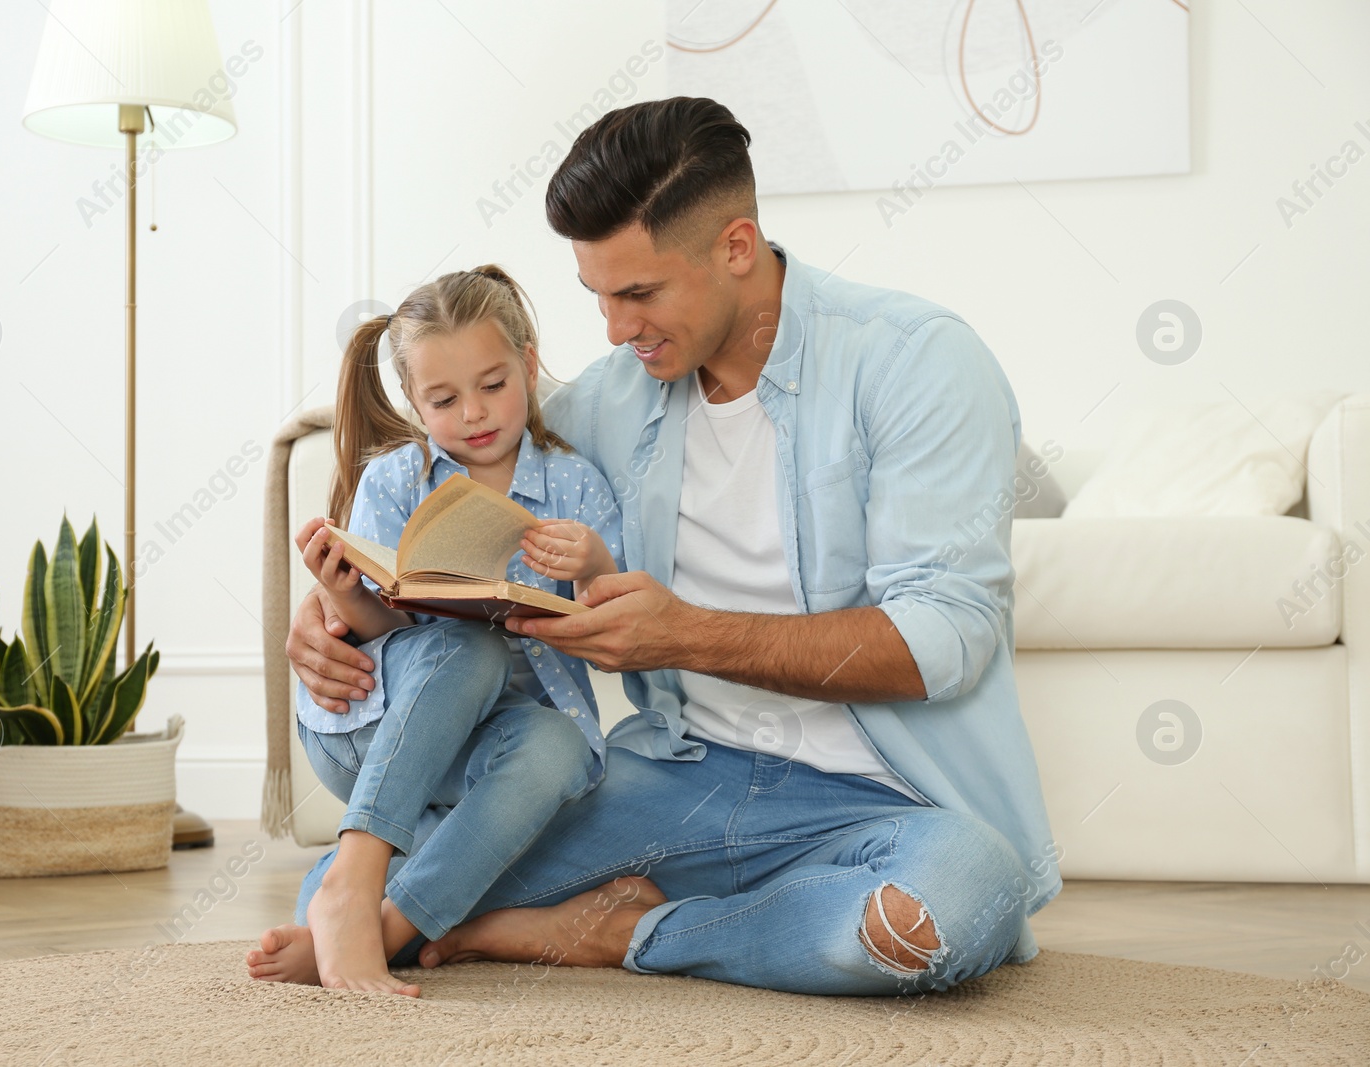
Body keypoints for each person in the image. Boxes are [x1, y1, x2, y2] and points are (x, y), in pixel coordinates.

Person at [268, 97, 1062, 997]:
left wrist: (682, 633)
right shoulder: (609, 401)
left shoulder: (916, 362)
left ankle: (626, 931)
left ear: (735, 246)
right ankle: (561, 919)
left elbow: (946, 639)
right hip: (676, 780)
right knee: (336, 902)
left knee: (938, 915)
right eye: (598, 296)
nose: (613, 329)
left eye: (639, 293)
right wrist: (338, 610)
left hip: (890, 803)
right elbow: (456, 500)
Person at [248, 265, 624, 997]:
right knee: (468, 647)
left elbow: (615, 622)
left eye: (493, 384)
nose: (476, 413)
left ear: (529, 361)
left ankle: (373, 915)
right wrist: (339, 589)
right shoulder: (394, 480)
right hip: (379, 723)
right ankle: (357, 886)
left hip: (494, 749)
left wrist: (594, 563)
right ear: (415, 403)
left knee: (559, 746)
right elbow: (380, 628)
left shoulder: (574, 483)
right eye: (445, 399)